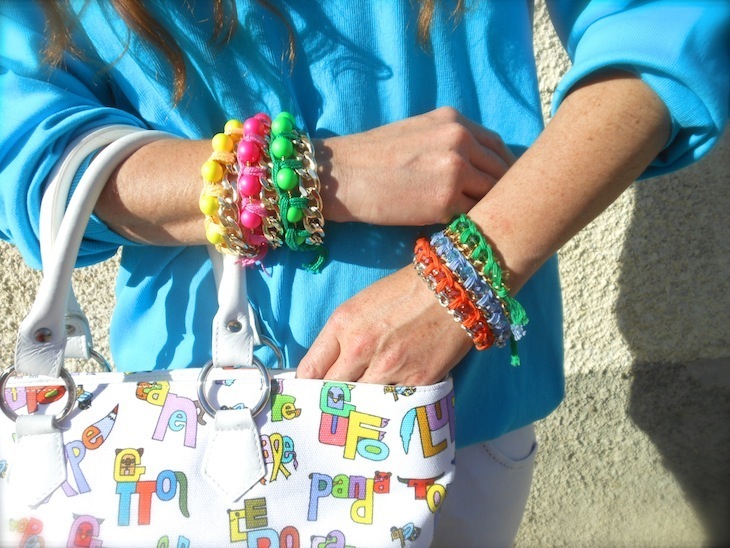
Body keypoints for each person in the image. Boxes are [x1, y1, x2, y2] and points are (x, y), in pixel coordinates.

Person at [0, 1, 727, 546]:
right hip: (173, 434)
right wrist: (323, 177)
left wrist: (460, 277)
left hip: (451, 407)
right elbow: (29, 146)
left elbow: (665, 30)